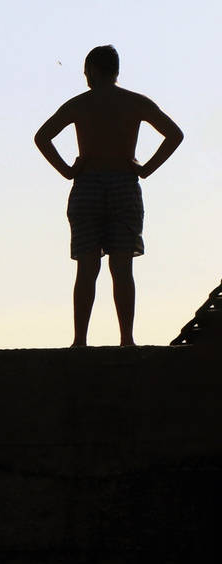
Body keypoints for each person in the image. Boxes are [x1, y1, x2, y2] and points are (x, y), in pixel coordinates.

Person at [34, 45, 184, 348]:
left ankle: (80, 340)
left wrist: (67, 170)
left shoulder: (80, 104)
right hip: (124, 184)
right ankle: (126, 338)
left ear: (92, 70)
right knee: (122, 266)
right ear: (116, 71)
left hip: (88, 185)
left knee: (87, 266)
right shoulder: (134, 102)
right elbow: (174, 134)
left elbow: (42, 136)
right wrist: (146, 169)